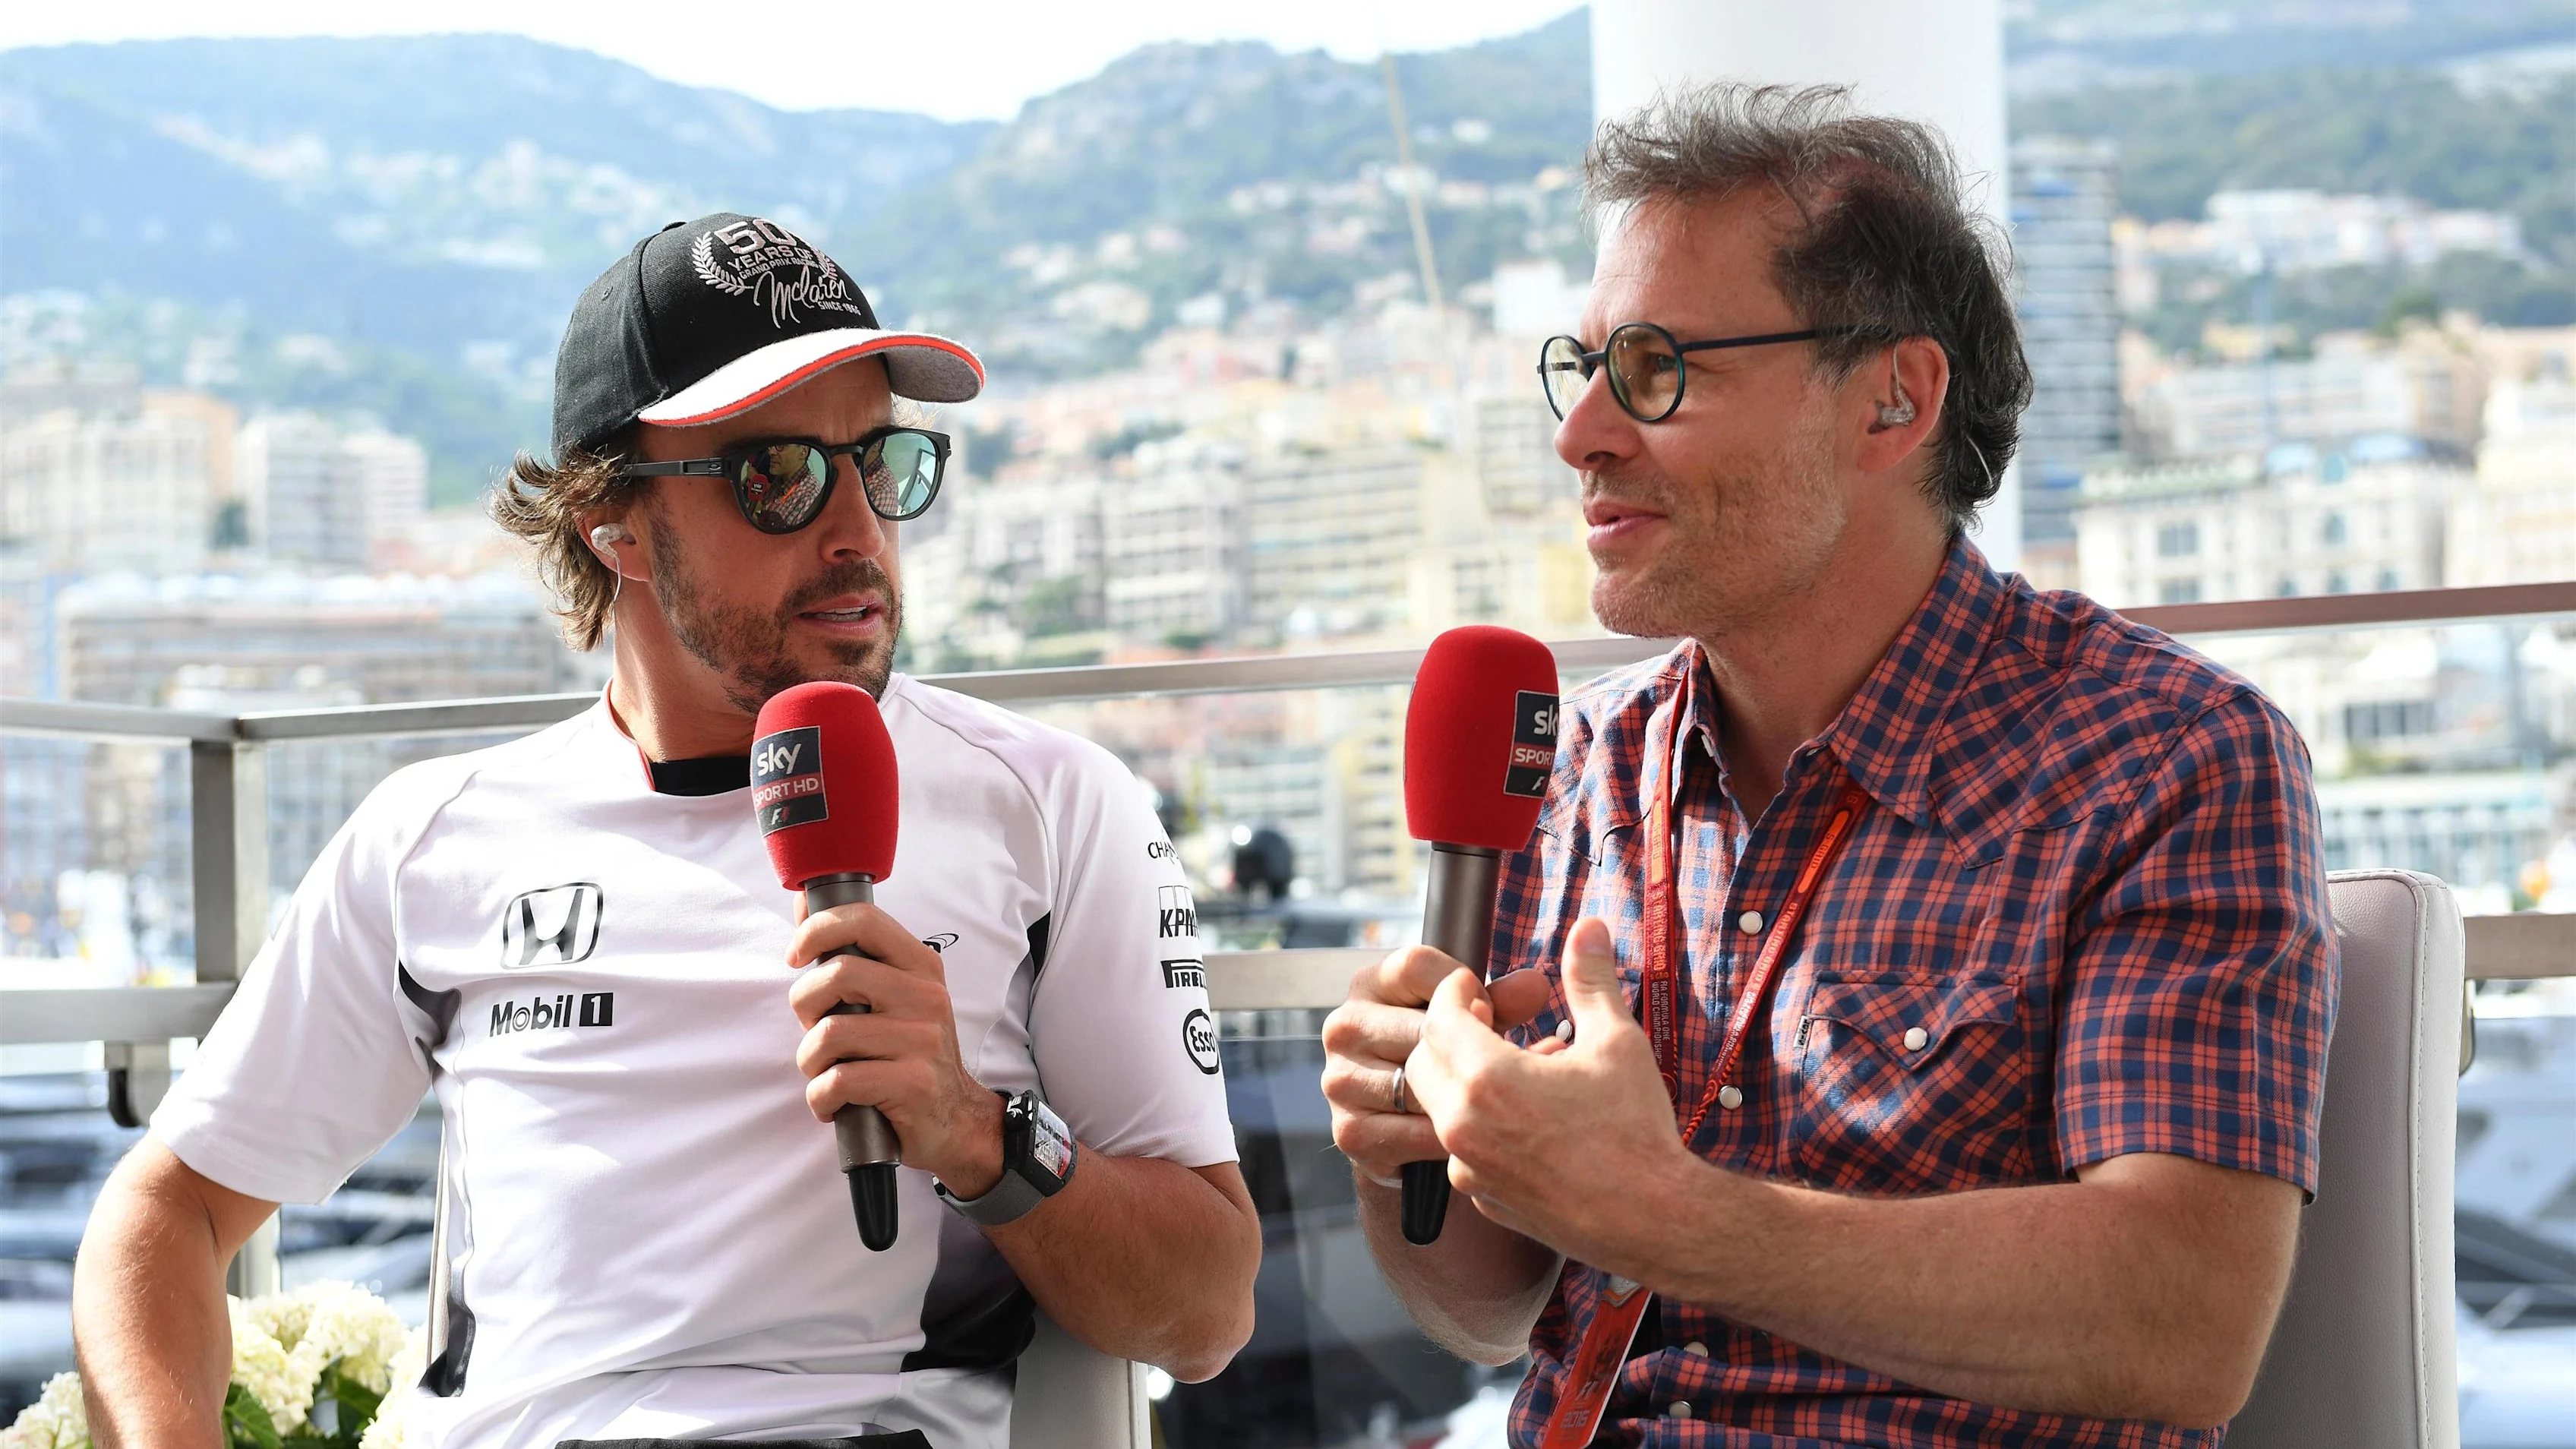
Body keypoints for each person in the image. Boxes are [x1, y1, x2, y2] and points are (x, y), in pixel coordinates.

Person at [74, 213, 1260, 1449]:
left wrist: (978, 1132)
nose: (857, 530)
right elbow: (163, 1217)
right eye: (781, 476)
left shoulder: (1059, 806)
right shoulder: (435, 834)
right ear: (611, 523)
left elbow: (1206, 1309)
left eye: (884, 465)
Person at [1323, 87, 2337, 1447]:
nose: (1582, 436)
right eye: (1585, 371)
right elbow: (1492, 1312)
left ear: (1893, 401)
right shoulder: (1579, 771)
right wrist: (1419, 1155)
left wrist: (1662, 1213)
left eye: (1661, 370)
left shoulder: (2162, 759)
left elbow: (2178, 1322)